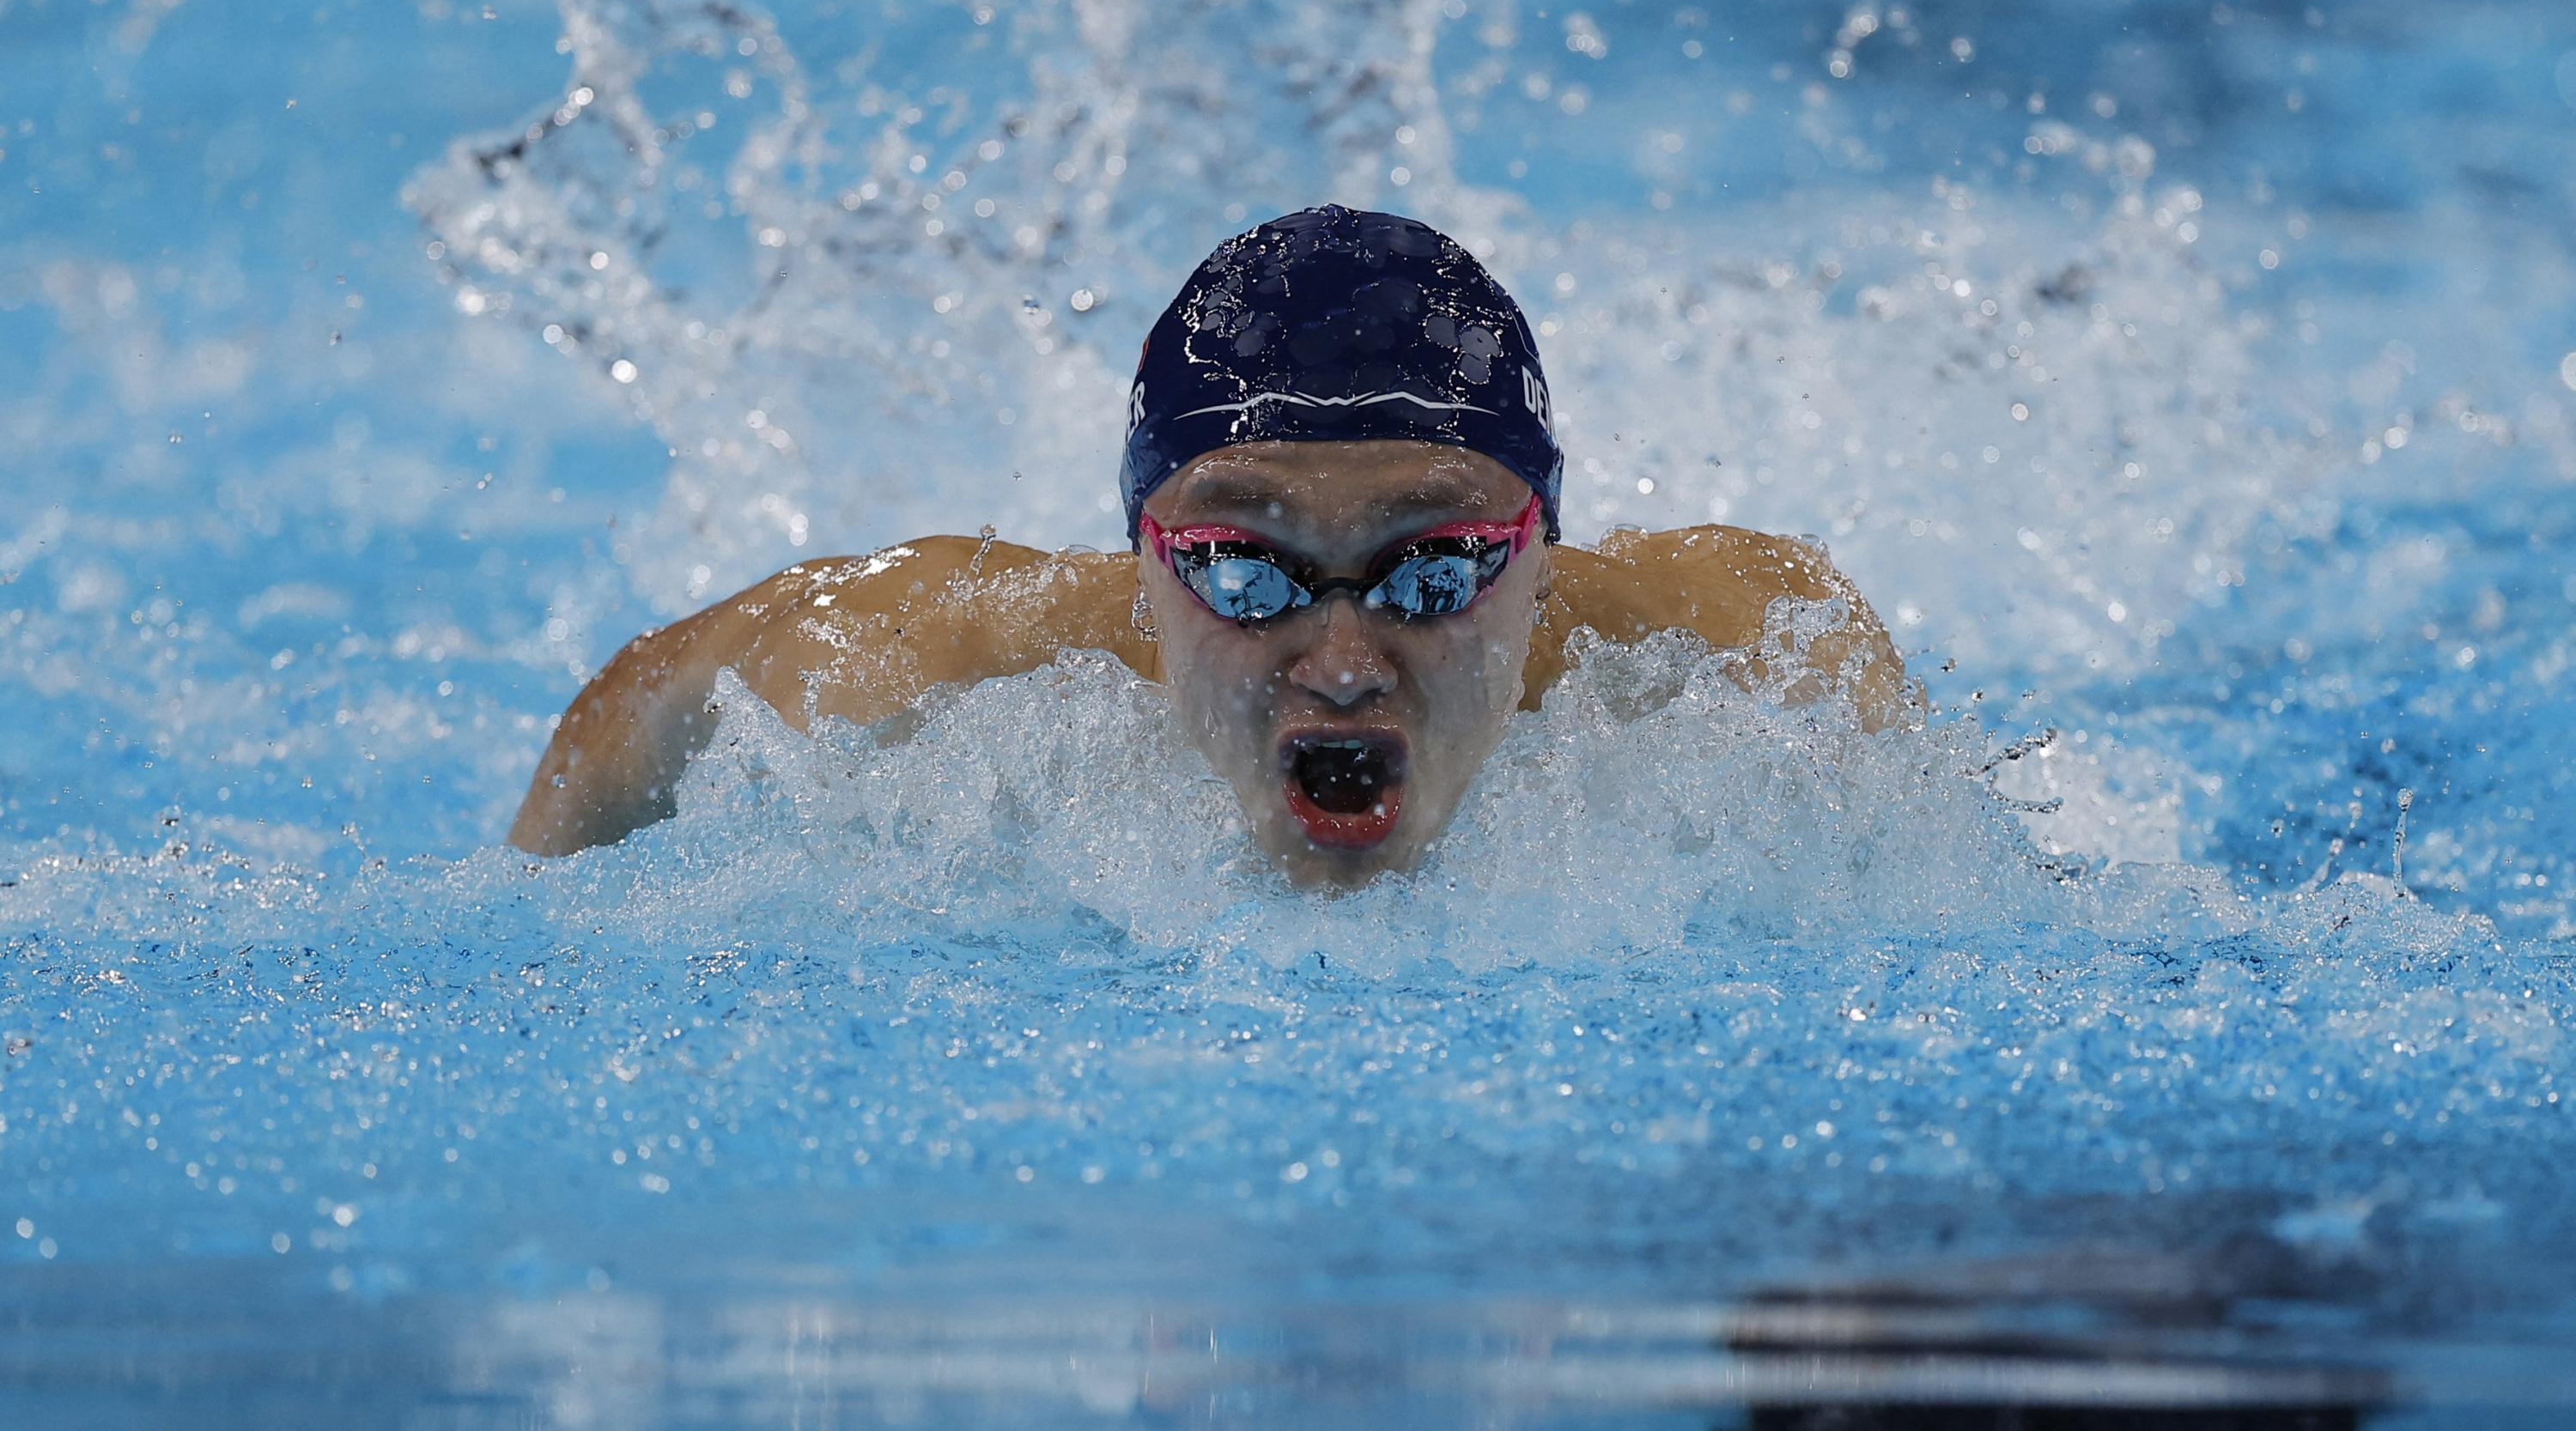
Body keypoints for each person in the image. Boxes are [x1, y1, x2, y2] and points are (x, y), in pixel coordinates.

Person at [509, 205, 1910, 884]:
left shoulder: (1736, 645)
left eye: (1437, 570)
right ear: (1144, 561)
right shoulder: (916, 654)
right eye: (1247, 573)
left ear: (1544, 551)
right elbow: (645, 703)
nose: (1347, 662)